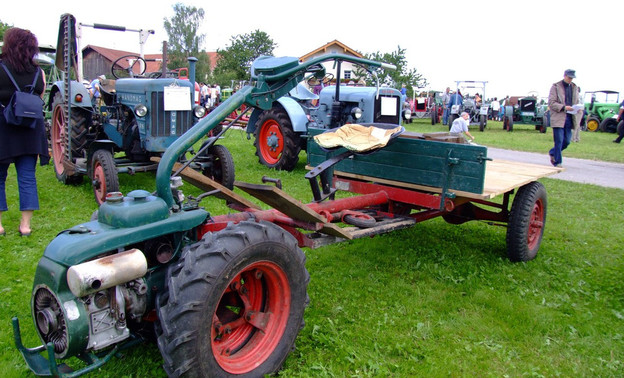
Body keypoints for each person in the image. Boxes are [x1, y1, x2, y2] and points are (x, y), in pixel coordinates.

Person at [0, 27, 49, 237]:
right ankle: (25, 226)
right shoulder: (40, 72)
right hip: (30, 130)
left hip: (3, 128)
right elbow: (39, 98)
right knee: (27, 177)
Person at [548, 69, 579, 167]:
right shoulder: (555, 87)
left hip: (569, 118)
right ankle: (558, 162)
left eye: (572, 78)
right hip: (559, 117)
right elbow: (551, 103)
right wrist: (563, 107)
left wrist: (577, 108)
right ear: (564, 75)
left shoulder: (574, 88)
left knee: (567, 141)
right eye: (569, 77)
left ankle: (553, 152)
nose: (570, 80)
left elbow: (576, 101)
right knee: (559, 140)